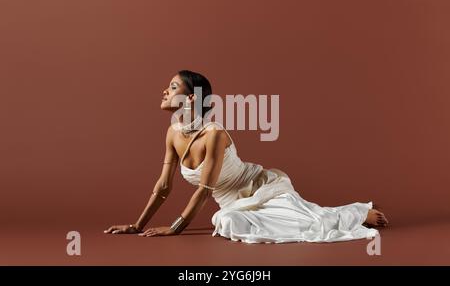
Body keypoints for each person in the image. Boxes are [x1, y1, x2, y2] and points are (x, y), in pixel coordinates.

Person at [104, 70, 388, 243]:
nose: (165, 90)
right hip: (230, 204)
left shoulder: (213, 134)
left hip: (261, 188)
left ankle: (357, 212)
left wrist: (175, 228)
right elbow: (163, 185)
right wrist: (137, 226)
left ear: (191, 98)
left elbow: (204, 190)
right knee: (227, 222)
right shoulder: (173, 132)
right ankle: (344, 214)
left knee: (304, 222)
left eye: (174, 86)